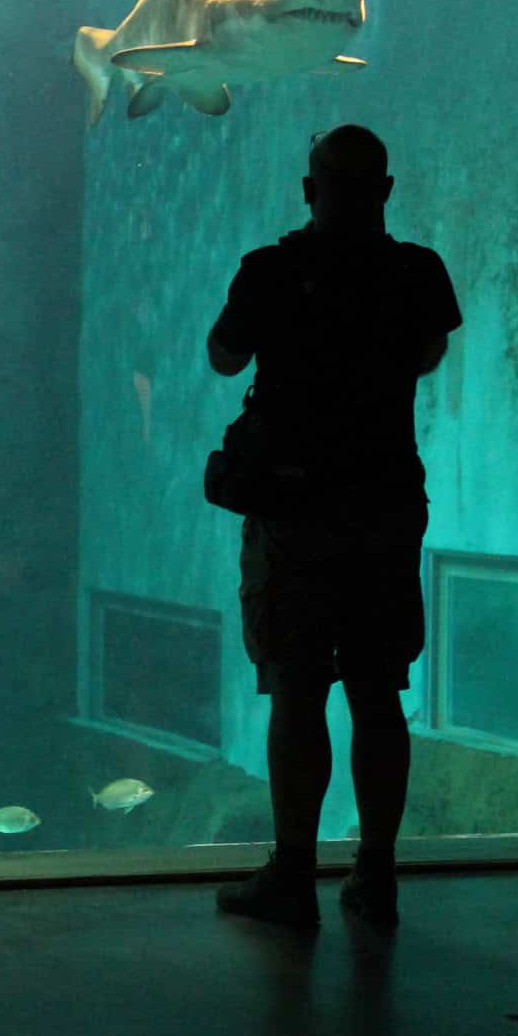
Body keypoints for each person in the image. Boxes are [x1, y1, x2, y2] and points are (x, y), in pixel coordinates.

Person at [206, 125, 462, 929]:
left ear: (308, 190)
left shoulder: (271, 271)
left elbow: (222, 355)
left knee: (297, 688)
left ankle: (292, 873)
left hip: (294, 514)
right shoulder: (418, 272)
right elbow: (425, 355)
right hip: (385, 506)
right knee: (377, 690)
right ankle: (376, 872)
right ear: (386, 190)